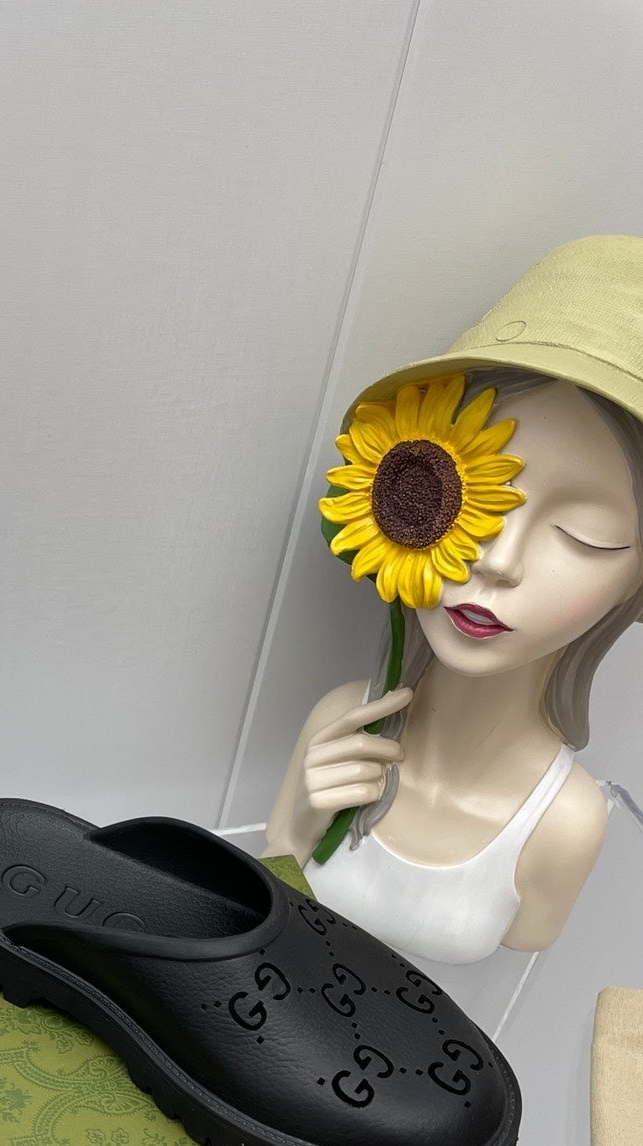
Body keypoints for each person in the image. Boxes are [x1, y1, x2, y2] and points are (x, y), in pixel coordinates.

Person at [266, 237, 643, 967]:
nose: (496, 560)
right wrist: (294, 833)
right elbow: (256, 915)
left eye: (584, 535)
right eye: (476, 496)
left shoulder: (565, 825)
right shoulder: (339, 724)